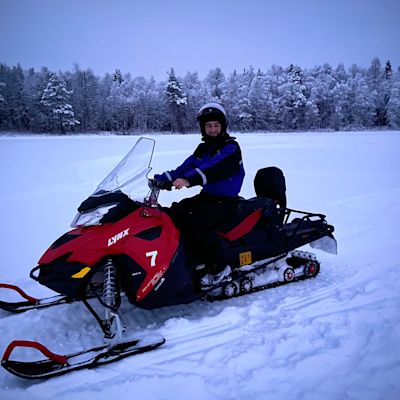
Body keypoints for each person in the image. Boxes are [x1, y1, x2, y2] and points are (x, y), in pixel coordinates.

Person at [154, 102, 245, 287]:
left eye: (216, 125)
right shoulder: (203, 149)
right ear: (203, 128)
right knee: (176, 212)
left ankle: (219, 268)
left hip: (226, 202)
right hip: (208, 197)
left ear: (223, 127)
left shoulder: (231, 148)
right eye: (208, 126)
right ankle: (186, 257)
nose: (212, 129)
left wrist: (189, 181)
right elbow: (186, 167)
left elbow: (215, 168)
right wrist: (161, 179)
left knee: (197, 221)